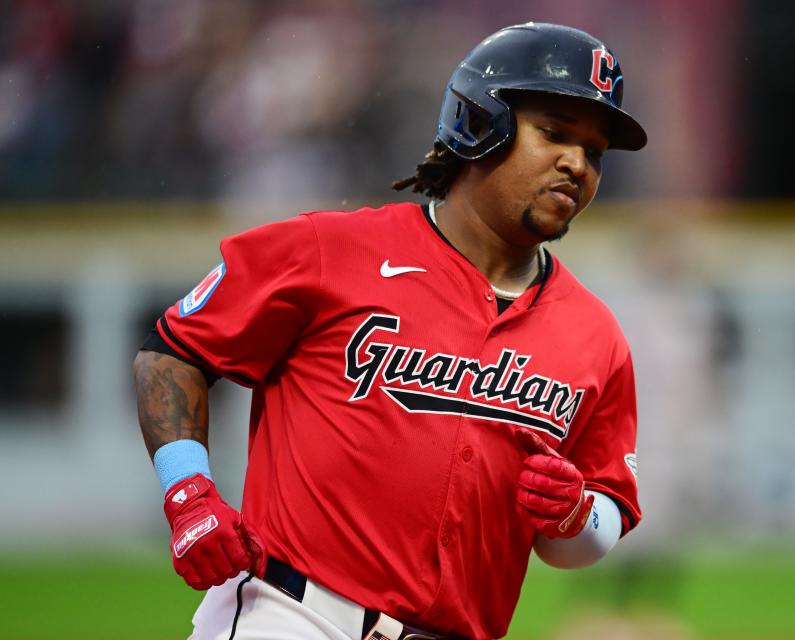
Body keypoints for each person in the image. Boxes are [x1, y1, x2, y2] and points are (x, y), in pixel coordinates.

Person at [134, 22, 645, 640]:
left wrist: (576, 515)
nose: (576, 164)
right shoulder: (330, 250)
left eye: (594, 151)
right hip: (295, 613)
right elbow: (172, 352)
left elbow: (599, 523)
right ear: (481, 124)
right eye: (555, 134)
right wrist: (188, 493)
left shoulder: (596, 335)